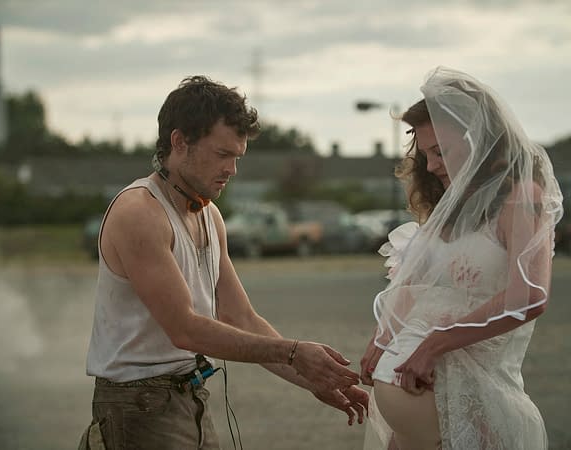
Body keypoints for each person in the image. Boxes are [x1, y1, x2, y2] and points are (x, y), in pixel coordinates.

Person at [79, 75, 368, 450]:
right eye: (222, 154)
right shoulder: (139, 212)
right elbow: (185, 330)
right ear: (179, 142)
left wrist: (312, 379)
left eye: (237, 156)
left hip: (190, 397)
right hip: (138, 408)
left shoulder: (209, 215)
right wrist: (295, 353)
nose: (232, 170)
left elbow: (240, 317)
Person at [360, 67, 563, 450]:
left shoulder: (521, 198)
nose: (432, 165)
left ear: (482, 141)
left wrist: (436, 344)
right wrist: (383, 336)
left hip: (472, 390)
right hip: (417, 403)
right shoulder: (450, 209)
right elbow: (421, 283)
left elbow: (530, 295)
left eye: (440, 151)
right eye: (425, 155)